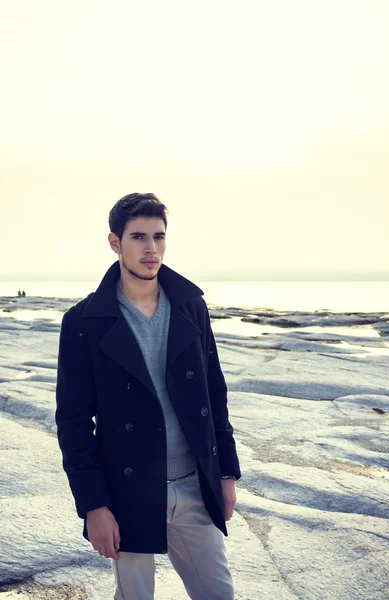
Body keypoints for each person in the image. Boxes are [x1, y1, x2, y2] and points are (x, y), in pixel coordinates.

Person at [55, 192, 241, 600]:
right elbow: (72, 423)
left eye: (158, 237)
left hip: (194, 486)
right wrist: (93, 506)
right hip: (128, 491)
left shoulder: (191, 306)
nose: (151, 248)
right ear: (114, 242)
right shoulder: (84, 322)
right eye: (138, 237)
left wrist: (226, 473)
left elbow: (214, 392)